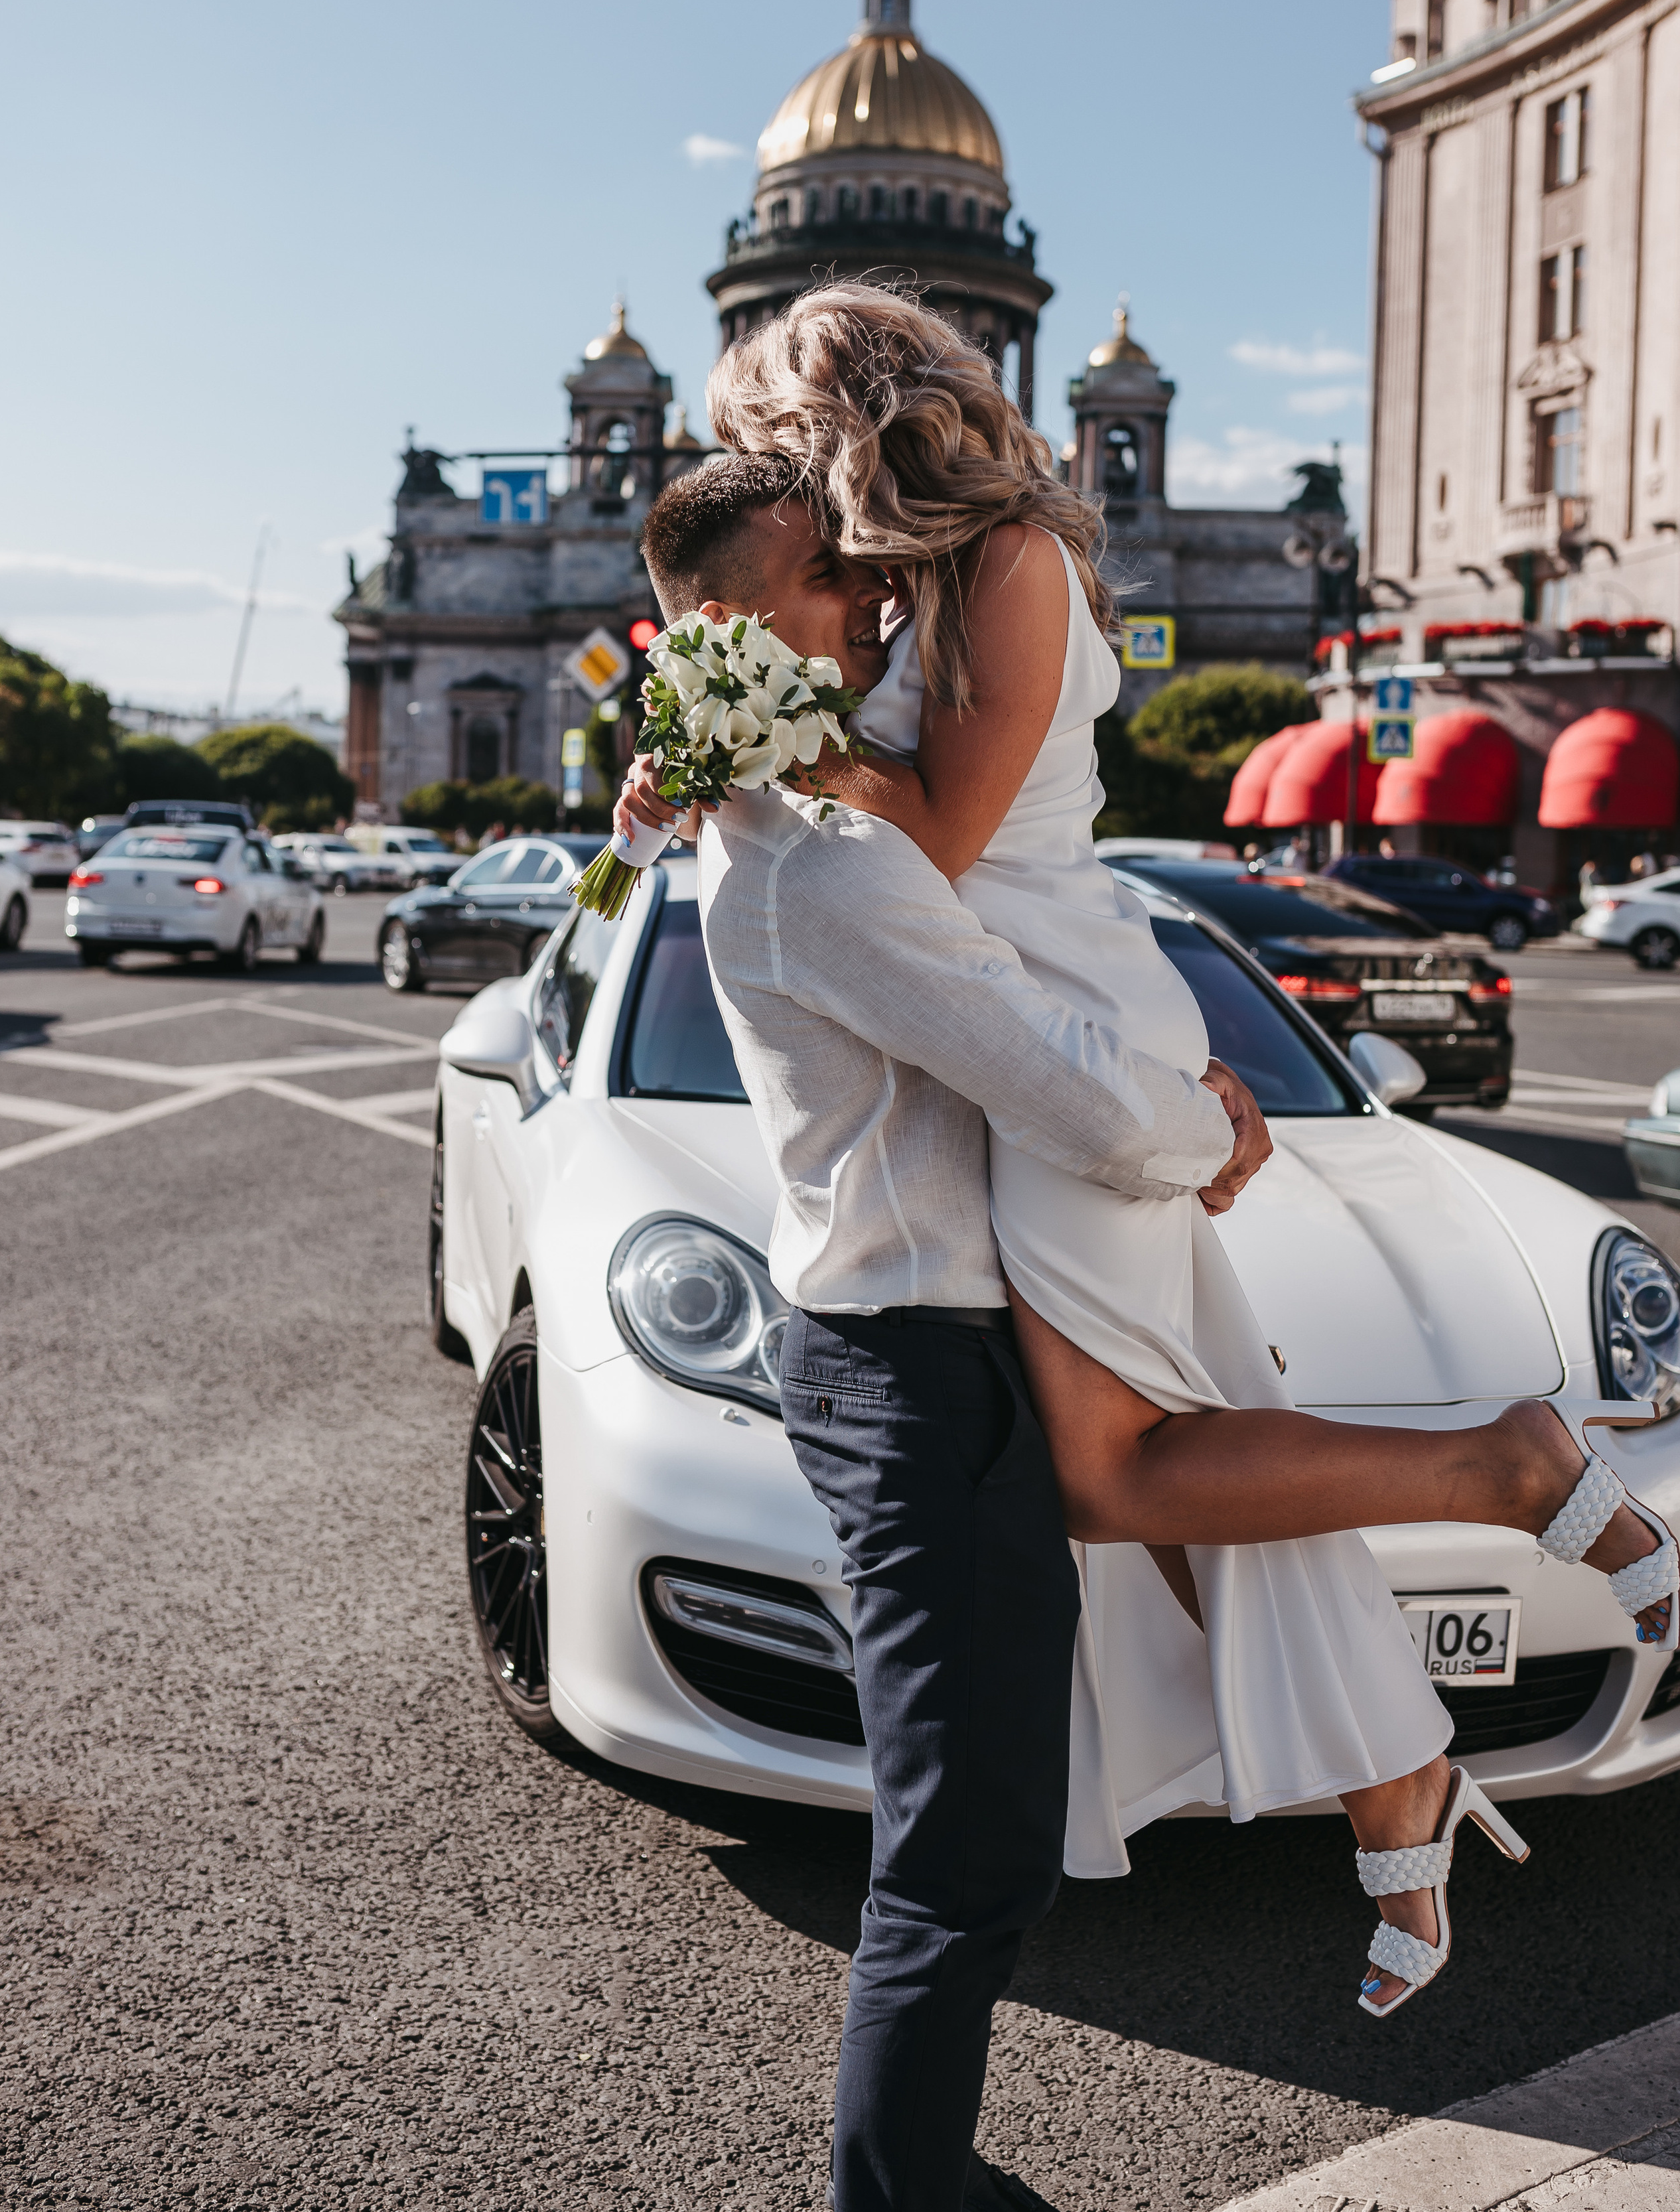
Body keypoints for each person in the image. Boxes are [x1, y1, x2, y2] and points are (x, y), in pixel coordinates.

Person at [618, 291, 1675, 2035]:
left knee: (1117, 1475)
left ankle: (1505, 1468)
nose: (767, 471)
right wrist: (709, 747)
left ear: (847, 406)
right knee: (1179, 1455)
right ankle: (1398, 1787)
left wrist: (755, 747)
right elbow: (871, 821)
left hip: (1067, 1022)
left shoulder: (1014, 555)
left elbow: (938, 840)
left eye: (774, 429)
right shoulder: (906, 586)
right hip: (1006, 1017)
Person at [634, 449, 1251, 2212]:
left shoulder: (785, 827)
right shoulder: (822, 867)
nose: (885, 596)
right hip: (922, 1369)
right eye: (840, 574)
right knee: (964, 1853)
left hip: (918, 1349)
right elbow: (1063, 1089)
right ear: (754, 622)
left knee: (976, 1832)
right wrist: (1216, 1120)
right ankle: (899, 2192)